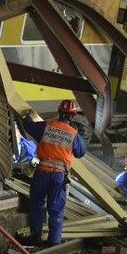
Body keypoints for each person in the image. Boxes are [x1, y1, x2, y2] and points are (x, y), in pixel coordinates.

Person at [21, 100, 86, 246]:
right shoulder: (73, 133)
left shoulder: (47, 126)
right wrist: (77, 133)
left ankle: (35, 237)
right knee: (56, 207)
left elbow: (29, 126)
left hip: (42, 172)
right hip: (58, 175)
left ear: (59, 111)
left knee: (37, 204)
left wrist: (27, 116)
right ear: (73, 115)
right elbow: (80, 152)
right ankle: (54, 241)